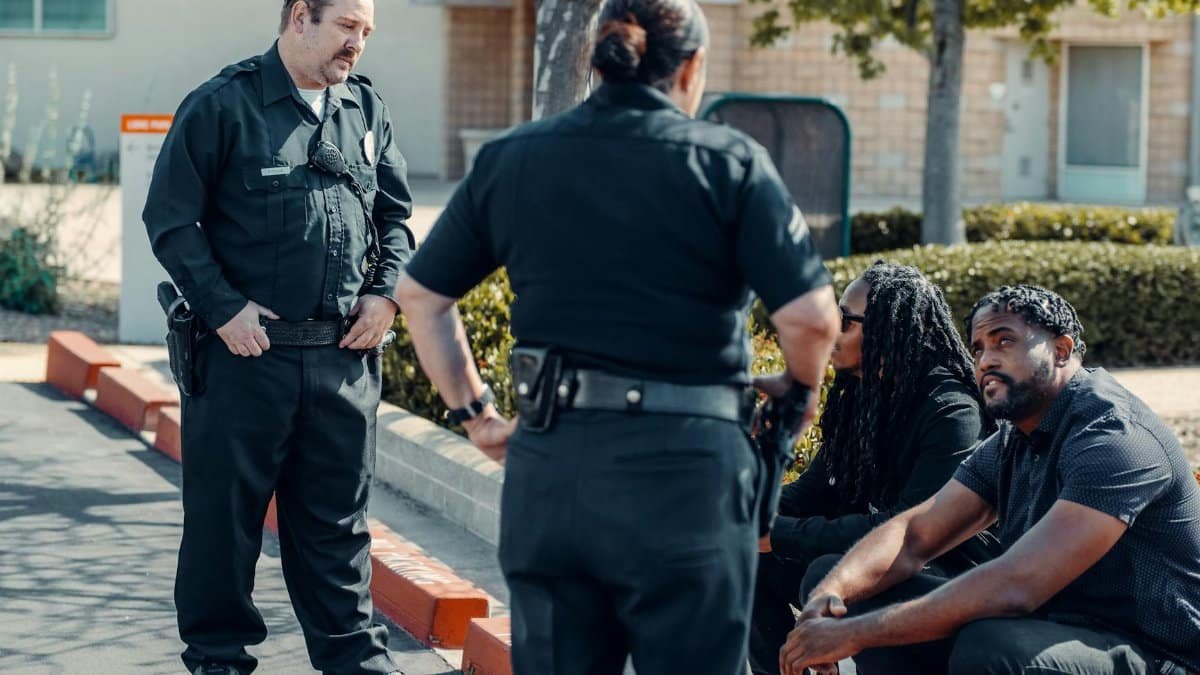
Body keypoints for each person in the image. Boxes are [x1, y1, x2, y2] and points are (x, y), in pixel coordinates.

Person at [394, 0, 840, 672]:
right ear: (691, 67)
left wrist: (476, 416)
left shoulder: (515, 157)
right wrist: (800, 387)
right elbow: (811, 319)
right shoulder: (730, 162)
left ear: (595, 57)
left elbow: (421, 295)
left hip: (554, 474)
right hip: (687, 476)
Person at [142, 1, 414, 672]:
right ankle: (218, 659)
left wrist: (384, 295)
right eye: (346, 27)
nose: (358, 44)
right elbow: (172, 221)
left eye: (366, 33)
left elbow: (397, 217)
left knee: (338, 531)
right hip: (245, 362)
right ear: (299, 17)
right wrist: (223, 308)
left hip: (341, 364)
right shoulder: (223, 106)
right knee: (223, 529)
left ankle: (355, 660)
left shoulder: (365, 112)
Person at [780, 285, 1200, 675]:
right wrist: (828, 599)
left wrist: (851, 635)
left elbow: (1019, 585)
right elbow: (912, 535)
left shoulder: (1114, 437)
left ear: (1061, 349)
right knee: (848, 584)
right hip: (1058, 627)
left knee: (991, 646)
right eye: (978, 348)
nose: (985, 361)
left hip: (1156, 652)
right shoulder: (1014, 437)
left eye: (1005, 341)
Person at [749, 261, 1000, 675]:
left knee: (824, 572)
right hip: (889, 561)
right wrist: (748, 519)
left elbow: (908, 533)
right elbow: (813, 492)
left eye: (846, 321)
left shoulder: (952, 412)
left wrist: (780, 535)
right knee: (752, 556)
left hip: (951, 578)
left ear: (890, 330)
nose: (831, 329)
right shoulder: (860, 398)